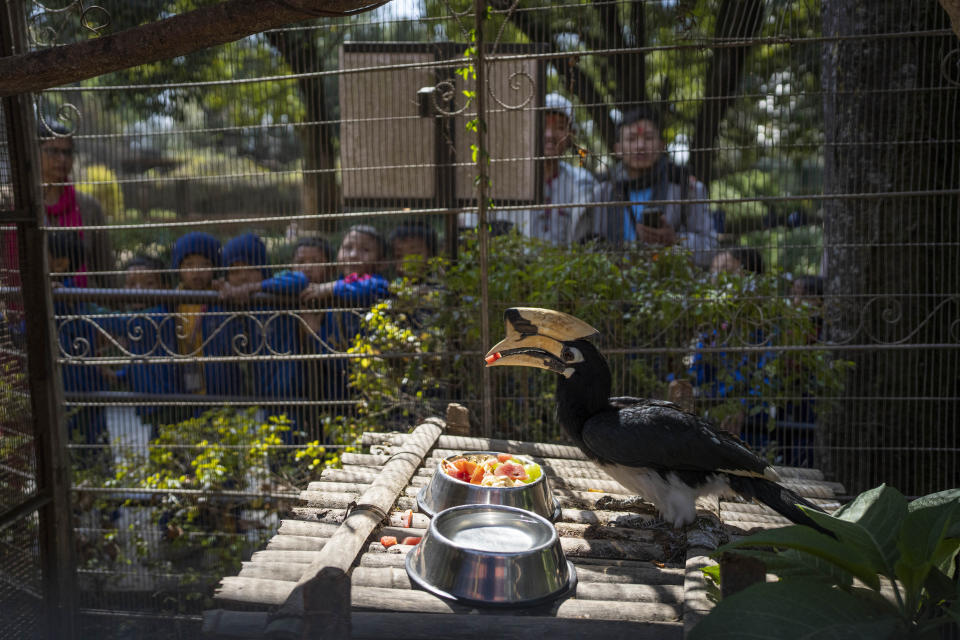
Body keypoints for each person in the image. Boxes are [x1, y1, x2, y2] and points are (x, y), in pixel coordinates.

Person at [584, 107, 717, 267]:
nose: (640, 146)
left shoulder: (686, 188)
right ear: (618, 150)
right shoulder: (602, 191)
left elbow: (710, 250)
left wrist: (675, 242)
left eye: (648, 138)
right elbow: (588, 248)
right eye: (631, 139)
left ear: (661, 145)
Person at [458, 93, 598, 246]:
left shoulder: (582, 183)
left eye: (559, 127)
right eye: (542, 125)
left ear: (571, 134)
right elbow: (472, 234)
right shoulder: (497, 181)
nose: (549, 135)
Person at [170, 231, 221, 398]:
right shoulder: (171, 300)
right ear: (178, 269)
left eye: (205, 264)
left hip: (216, 382)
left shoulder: (219, 296)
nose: (196, 271)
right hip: (184, 379)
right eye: (189, 265)